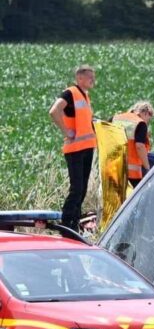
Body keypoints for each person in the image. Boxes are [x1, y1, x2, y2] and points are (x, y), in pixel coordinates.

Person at [49, 64, 97, 232]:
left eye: (94, 77)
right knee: (76, 189)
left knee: (82, 189)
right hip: (75, 148)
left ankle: (74, 224)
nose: (93, 80)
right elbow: (54, 111)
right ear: (79, 78)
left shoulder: (85, 96)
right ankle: (66, 223)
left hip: (87, 147)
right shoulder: (70, 93)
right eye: (90, 77)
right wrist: (66, 131)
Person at [112, 101, 154, 188]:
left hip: (113, 170)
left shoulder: (115, 119)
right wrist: (147, 167)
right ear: (146, 113)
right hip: (131, 174)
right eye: (149, 119)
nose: (147, 122)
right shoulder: (140, 123)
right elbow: (140, 146)